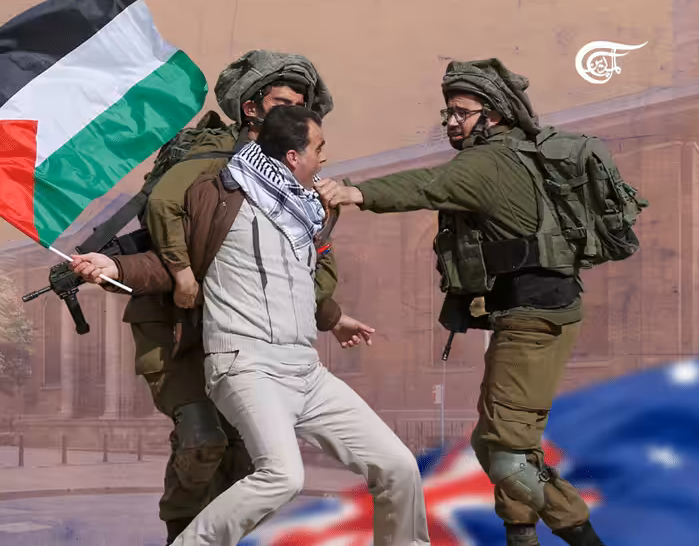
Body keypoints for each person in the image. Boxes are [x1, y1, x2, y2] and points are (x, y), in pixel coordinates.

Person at [315, 59, 610, 546]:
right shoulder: (520, 152)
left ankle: (583, 538)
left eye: (460, 112)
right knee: (504, 440)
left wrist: (354, 192)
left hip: (531, 319)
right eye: (447, 111)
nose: (450, 121)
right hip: (540, 314)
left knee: (506, 455)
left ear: (491, 115)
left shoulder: (487, 160)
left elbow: (427, 185)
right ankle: (521, 535)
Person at [117, 104, 426, 546]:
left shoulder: (305, 213)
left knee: (398, 466)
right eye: (318, 148)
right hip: (245, 365)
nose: (325, 158)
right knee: (283, 476)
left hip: (305, 370)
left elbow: (293, 287)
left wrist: (334, 319)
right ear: (293, 157)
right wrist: (114, 264)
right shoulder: (219, 195)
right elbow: (162, 253)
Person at [74, 50, 347, 545]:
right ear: (250, 108)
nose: (293, 113)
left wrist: (330, 313)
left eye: (301, 106)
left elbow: (308, 266)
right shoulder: (208, 165)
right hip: (178, 329)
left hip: (245, 337)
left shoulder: (295, 184)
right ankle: (180, 537)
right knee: (202, 440)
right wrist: (170, 272)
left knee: (250, 460)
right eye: (282, 102)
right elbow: (163, 218)